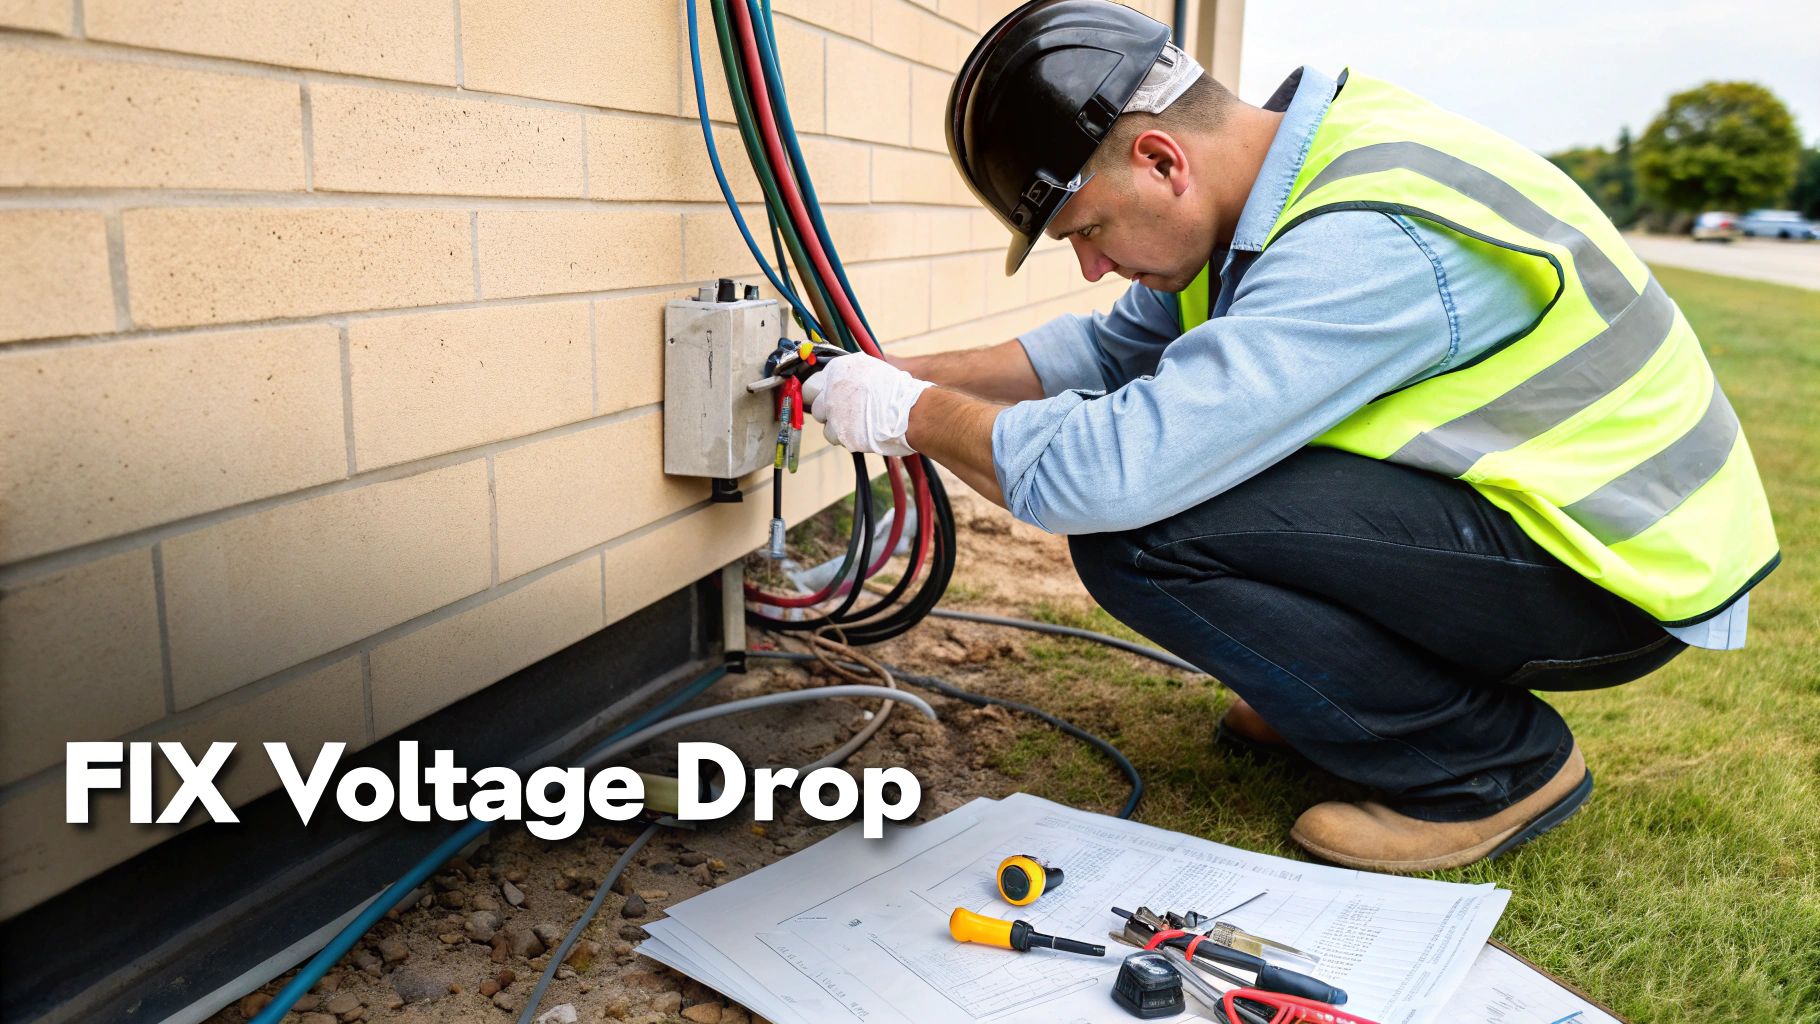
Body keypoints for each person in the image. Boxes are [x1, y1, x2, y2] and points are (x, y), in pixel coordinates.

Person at [799, 0, 1779, 871]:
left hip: (1608, 568)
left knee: (1144, 530)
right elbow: (1104, 357)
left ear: (1157, 159)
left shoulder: (1359, 236)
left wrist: (905, 417)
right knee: (1191, 478)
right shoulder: (1274, 178)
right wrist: (888, 369)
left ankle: (1484, 766)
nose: (1092, 266)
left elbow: (1110, 471)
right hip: (1546, 521)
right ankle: (1331, 687)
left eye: (1085, 230)